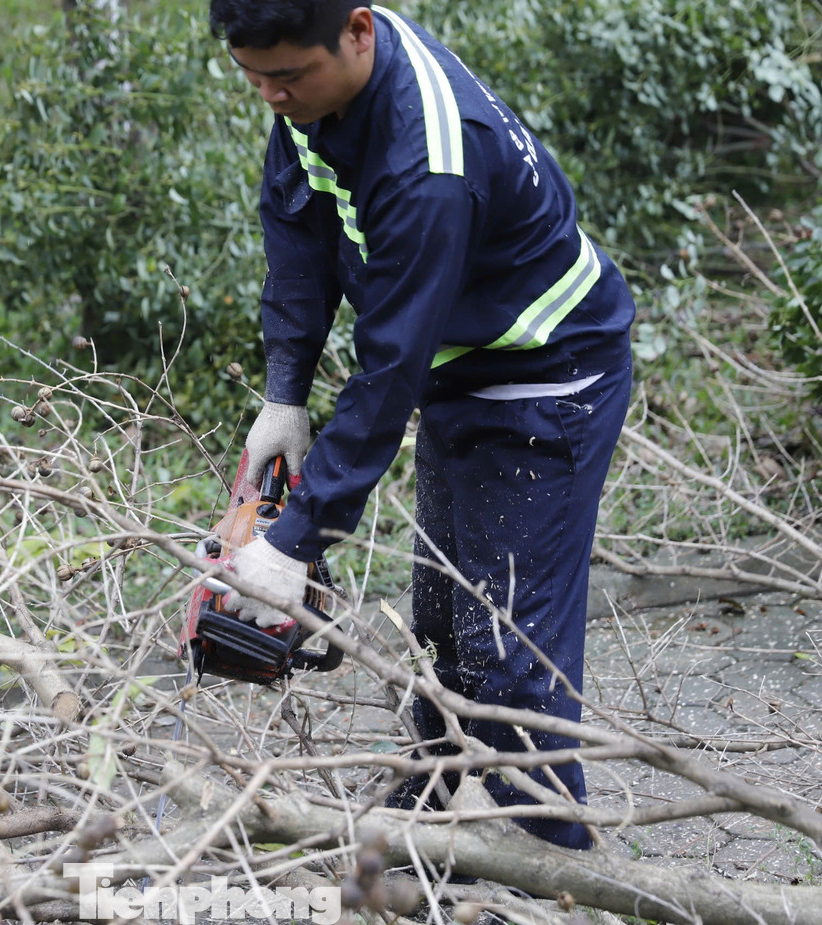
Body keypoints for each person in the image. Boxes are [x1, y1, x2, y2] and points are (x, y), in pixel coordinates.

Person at [209, 0, 636, 849]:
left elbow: (390, 368)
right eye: (252, 77)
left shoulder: (430, 160)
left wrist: (294, 540)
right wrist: (284, 394)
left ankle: (551, 863)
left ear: (357, 32)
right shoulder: (313, 94)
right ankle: (435, 819)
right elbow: (298, 229)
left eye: (286, 76)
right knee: (445, 620)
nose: (270, 97)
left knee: (512, 653)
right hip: (457, 368)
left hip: (544, 380)